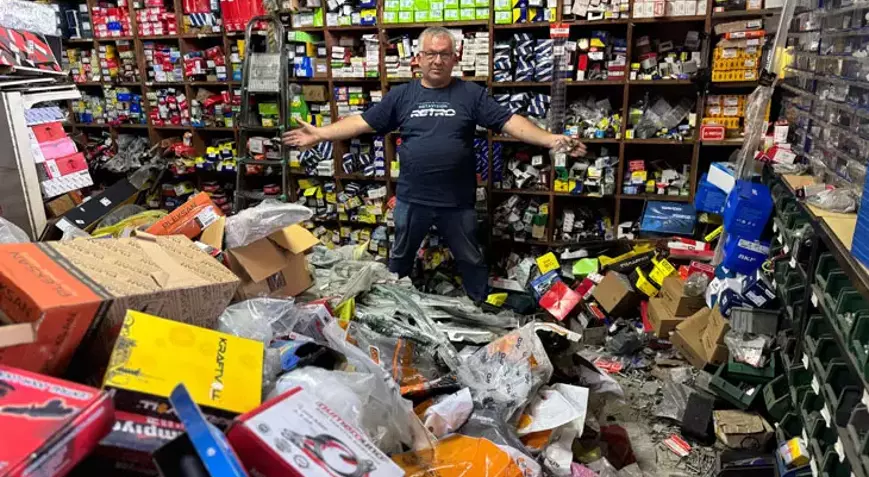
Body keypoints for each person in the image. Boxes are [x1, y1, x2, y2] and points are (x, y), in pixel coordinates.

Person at [283, 26, 586, 302]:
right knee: (400, 258)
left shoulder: (471, 94)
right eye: (430, 54)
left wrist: (550, 139)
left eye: (444, 54)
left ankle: (480, 304)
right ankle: (392, 304)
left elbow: (511, 122)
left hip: (457, 201)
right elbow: (361, 122)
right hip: (412, 199)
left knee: (471, 258)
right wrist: (320, 133)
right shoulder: (402, 95)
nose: (437, 61)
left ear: (455, 58)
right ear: (418, 58)